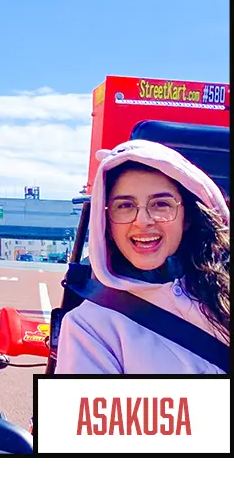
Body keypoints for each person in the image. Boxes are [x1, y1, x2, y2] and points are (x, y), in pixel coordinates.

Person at [55, 139, 229, 374]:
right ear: (106, 223)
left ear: (187, 217)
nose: (143, 221)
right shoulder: (88, 326)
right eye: (125, 206)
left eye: (161, 204)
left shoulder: (222, 288)